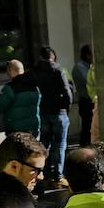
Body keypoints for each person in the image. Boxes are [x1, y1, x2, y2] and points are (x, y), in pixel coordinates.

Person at [30, 47, 75, 189]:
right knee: (60, 144)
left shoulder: (35, 72)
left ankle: (43, 171)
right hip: (58, 112)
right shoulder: (58, 70)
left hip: (43, 112)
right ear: (53, 56)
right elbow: (67, 93)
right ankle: (58, 175)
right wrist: (65, 108)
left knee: (44, 144)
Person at [0, 59, 42, 135]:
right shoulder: (35, 86)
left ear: (11, 71)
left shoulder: (10, 88)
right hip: (33, 128)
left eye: (8, 70)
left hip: (15, 130)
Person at [72, 44, 95, 146]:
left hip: (91, 101)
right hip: (86, 102)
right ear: (87, 55)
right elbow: (89, 81)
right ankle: (84, 147)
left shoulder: (90, 67)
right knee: (87, 128)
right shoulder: (79, 68)